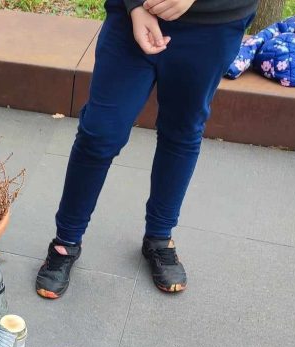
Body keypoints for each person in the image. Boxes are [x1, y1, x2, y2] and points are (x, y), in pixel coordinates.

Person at [35, 0, 258, 298]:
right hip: (131, 17)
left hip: (214, 24)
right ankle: (66, 239)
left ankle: (159, 237)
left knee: (182, 131)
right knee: (100, 133)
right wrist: (136, 6)